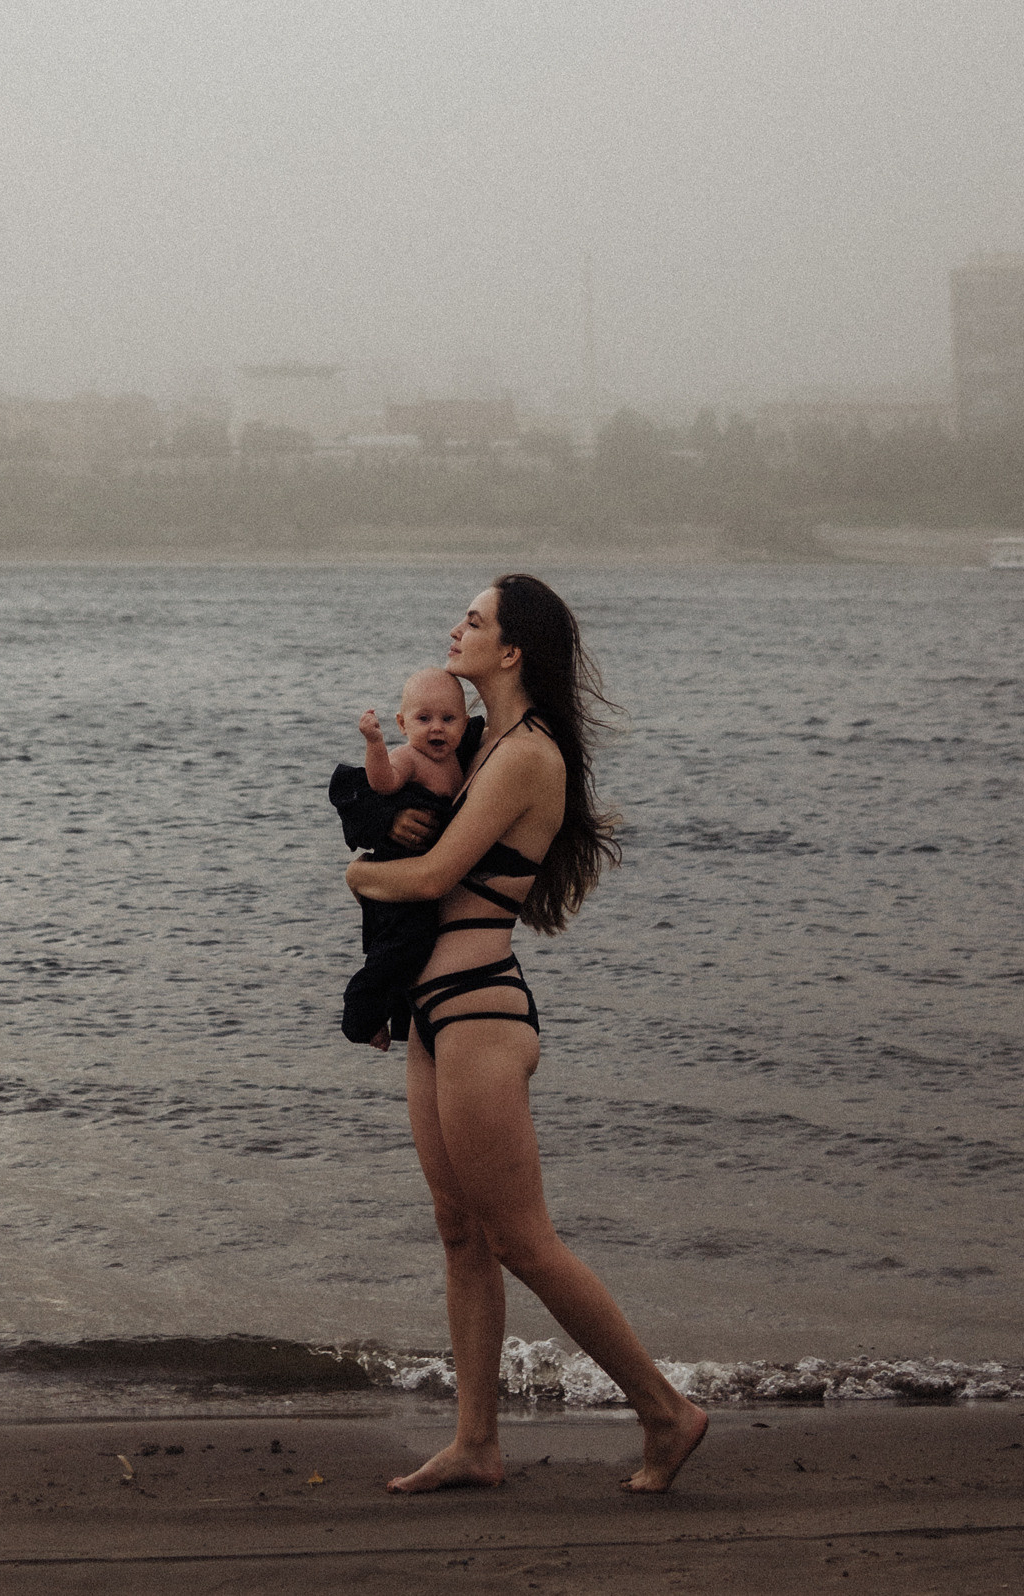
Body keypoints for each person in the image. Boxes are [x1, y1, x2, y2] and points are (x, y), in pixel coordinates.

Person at [345, 573, 710, 1502]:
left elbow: (428, 878)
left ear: (510, 652)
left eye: (472, 620)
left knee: (523, 1240)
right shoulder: (486, 743)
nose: (454, 628)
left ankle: (665, 1411)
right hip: (434, 1012)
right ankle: (476, 1443)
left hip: (477, 1007)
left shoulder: (523, 754)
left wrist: (359, 877)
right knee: (459, 1231)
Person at [328, 667, 481, 1049]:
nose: (436, 729)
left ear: (463, 722)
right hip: (398, 874)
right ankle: (360, 1015)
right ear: (402, 723)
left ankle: (389, 1023)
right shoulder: (409, 757)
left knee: (411, 954)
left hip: (420, 878)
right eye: (423, 719)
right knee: (397, 951)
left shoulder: (458, 755)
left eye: (448, 719)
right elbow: (381, 783)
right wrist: (375, 744)